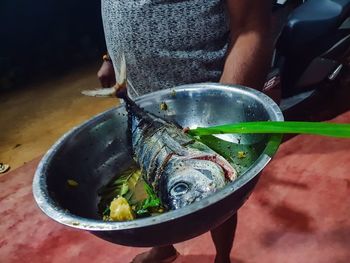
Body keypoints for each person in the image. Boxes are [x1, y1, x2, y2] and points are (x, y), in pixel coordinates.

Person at [97, 1, 273, 262]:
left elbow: (250, 27)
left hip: (203, 108)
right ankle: (164, 247)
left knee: (213, 184)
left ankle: (222, 257)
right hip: (140, 92)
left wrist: (221, 116)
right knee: (152, 171)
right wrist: (110, 57)